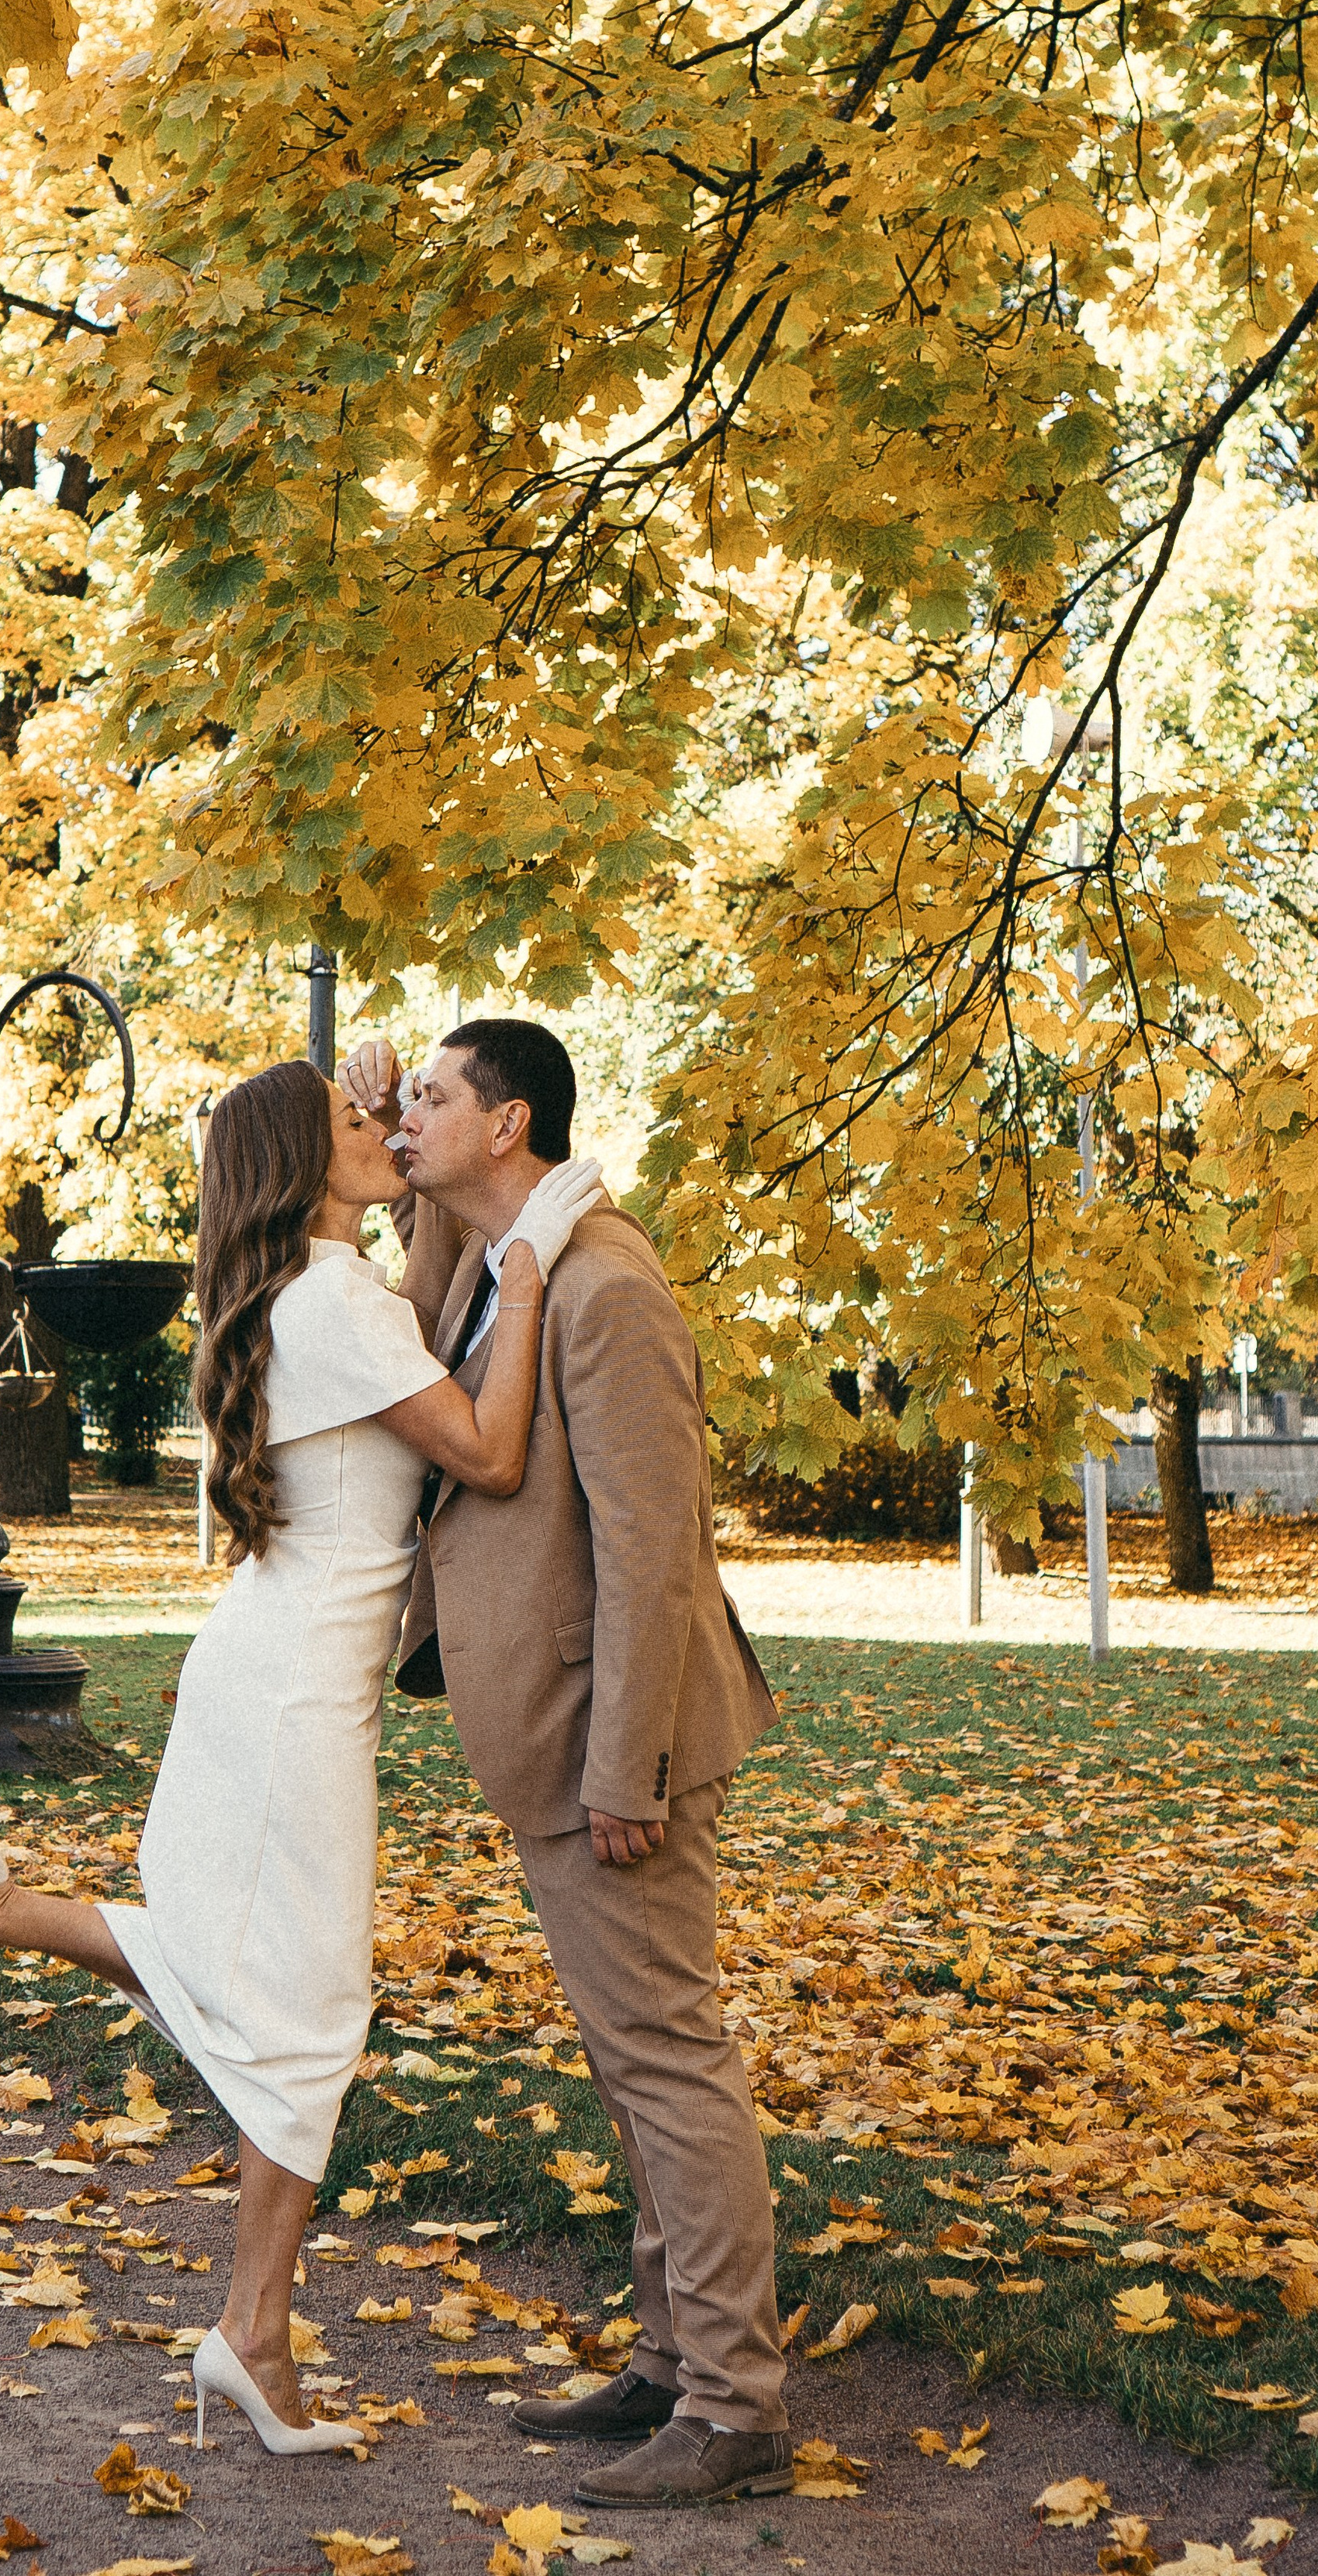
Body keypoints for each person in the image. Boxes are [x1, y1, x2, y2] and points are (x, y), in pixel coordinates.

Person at [0, 1056, 602, 2459]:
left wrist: (410, 1158)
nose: (388, 1132)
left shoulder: (313, 1300)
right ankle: (251, 2336)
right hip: (293, 1701)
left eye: (387, 1114)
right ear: (303, 1173)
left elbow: (426, 1326)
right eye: (359, 1124)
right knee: (303, 2019)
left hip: (273, 1680)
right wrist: (535, 1247)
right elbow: (491, 1455)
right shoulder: (332, 1304)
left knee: (243, 1976)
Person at [342, 1020, 789, 2510]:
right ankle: (672, 2363)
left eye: (435, 1099)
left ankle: (732, 2410)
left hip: (620, 1743)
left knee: (669, 2060)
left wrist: (629, 1767)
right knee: (629, 2062)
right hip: (556, 1736)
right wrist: (367, 1114)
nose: (407, 1119)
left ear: (511, 1120)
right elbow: (406, 1277)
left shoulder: (602, 1286)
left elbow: (657, 1551)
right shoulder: (491, 1256)